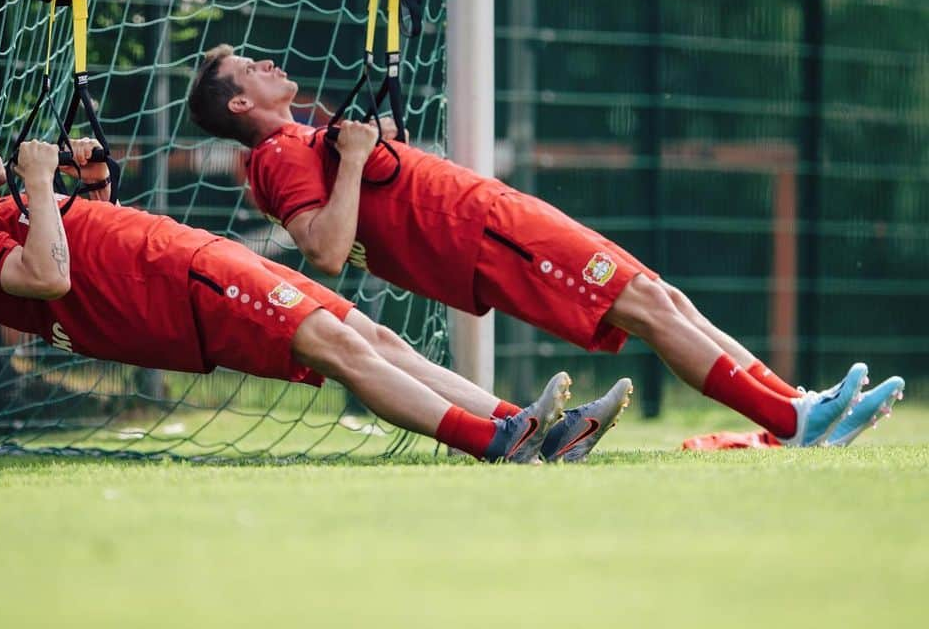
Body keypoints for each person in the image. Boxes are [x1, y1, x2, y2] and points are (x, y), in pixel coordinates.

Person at [186, 45, 906, 449]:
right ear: (241, 105)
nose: (268, 62)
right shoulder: (278, 154)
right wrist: (352, 159)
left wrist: (359, 154)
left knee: (660, 296)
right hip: (485, 236)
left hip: (492, 219)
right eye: (249, 68)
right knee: (648, 307)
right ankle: (793, 422)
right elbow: (326, 252)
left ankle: (796, 405)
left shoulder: (301, 139)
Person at [0, 107, 643, 464]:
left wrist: (87, 189)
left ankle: (533, 428)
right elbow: (49, 279)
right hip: (180, 287)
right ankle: (498, 442)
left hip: (188, 263)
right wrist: (46, 185)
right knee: (341, 350)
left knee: (372, 336)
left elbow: (80, 254)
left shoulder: (2, 207)